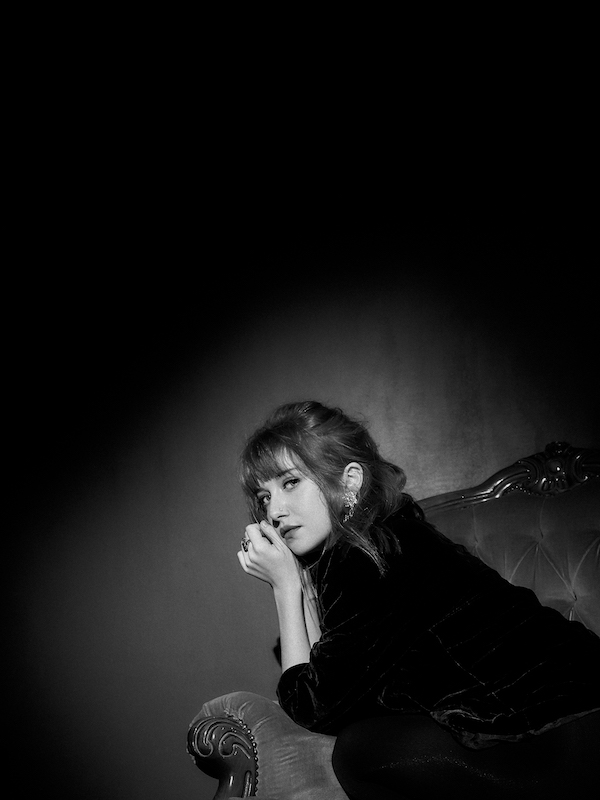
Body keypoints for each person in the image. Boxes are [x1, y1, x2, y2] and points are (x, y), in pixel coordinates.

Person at [236, 401, 600, 799]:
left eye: (290, 483)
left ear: (350, 481)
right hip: (562, 716)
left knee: (360, 750)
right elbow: (329, 683)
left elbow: (311, 707)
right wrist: (301, 583)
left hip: (564, 727)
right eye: (264, 496)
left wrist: (284, 588)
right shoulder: (383, 537)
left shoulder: (369, 556)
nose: (275, 511)